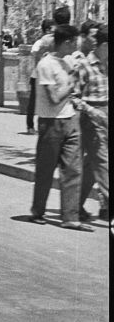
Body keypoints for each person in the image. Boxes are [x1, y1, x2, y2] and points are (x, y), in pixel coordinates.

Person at [30, 23, 92, 231]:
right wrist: (73, 78)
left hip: (70, 119)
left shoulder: (68, 61)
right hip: (51, 122)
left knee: (73, 169)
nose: (76, 46)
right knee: (46, 170)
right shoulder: (46, 65)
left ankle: (70, 217)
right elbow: (55, 97)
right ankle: (38, 210)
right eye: (74, 41)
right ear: (67, 41)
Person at [68, 24, 108, 223]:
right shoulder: (83, 65)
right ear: (105, 45)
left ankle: (75, 205)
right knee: (102, 162)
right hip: (92, 117)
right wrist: (92, 111)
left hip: (106, 114)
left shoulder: (107, 65)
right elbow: (73, 96)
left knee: (93, 165)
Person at [27, 18, 54, 134]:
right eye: (53, 28)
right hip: (37, 76)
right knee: (33, 102)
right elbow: (36, 57)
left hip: (47, 76)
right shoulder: (39, 43)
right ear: (47, 29)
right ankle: (30, 126)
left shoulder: (52, 42)